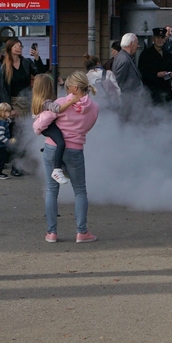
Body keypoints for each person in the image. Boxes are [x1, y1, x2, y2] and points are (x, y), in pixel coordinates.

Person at [34, 71, 99, 244]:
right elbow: (88, 127)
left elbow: (42, 122)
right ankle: (81, 232)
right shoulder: (94, 107)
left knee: (51, 190)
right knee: (80, 190)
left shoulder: (61, 102)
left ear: (75, 88)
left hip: (52, 147)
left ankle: (51, 233)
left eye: (68, 87)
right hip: (75, 150)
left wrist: (38, 127)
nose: (66, 90)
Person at [31, 73, 80, 185]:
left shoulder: (37, 100)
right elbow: (58, 109)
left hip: (44, 126)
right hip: (48, 126)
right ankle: (57, 169)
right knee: (61, 143)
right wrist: (71, 101)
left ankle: (59, 162)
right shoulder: (46, 102)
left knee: (59, 143)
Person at [137, 27, 172, 108]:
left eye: (162, 38)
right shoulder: (146, 54)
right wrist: (156, 75)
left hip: (166, 93)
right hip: (152, 94)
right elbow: (142, 73)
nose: (160, 40)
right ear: (153, 39)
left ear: (165, 39)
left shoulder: (168, 55)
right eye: (157, 37)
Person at [110, 33, 145, 101]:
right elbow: (118, 82)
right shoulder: (124, 60)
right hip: (128, 100)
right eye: (137, 43)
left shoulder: (123, 56)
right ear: (131, 44)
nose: (138, 46)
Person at [0, 102, 16, 179]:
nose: (10, 113)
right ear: (2, 112)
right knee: (0, 161)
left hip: (1, 146)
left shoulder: (4, 120)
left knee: (2, 159)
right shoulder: (1, 123)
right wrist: (8, 141)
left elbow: (9, 121)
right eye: (8, 111)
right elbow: (0, 136)